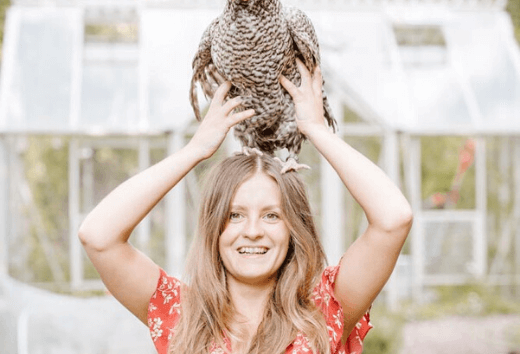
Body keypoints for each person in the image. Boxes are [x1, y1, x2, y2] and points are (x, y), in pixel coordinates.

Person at [78, 59, 413, 354]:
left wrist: (316, 130)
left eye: (271, 215)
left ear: (293, 229)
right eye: (235, 215)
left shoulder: (326, 308)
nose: (252, 232)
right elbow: (98, 235)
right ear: (214, 228)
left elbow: (394, 219)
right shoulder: (181, 313)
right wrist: (193, 151)